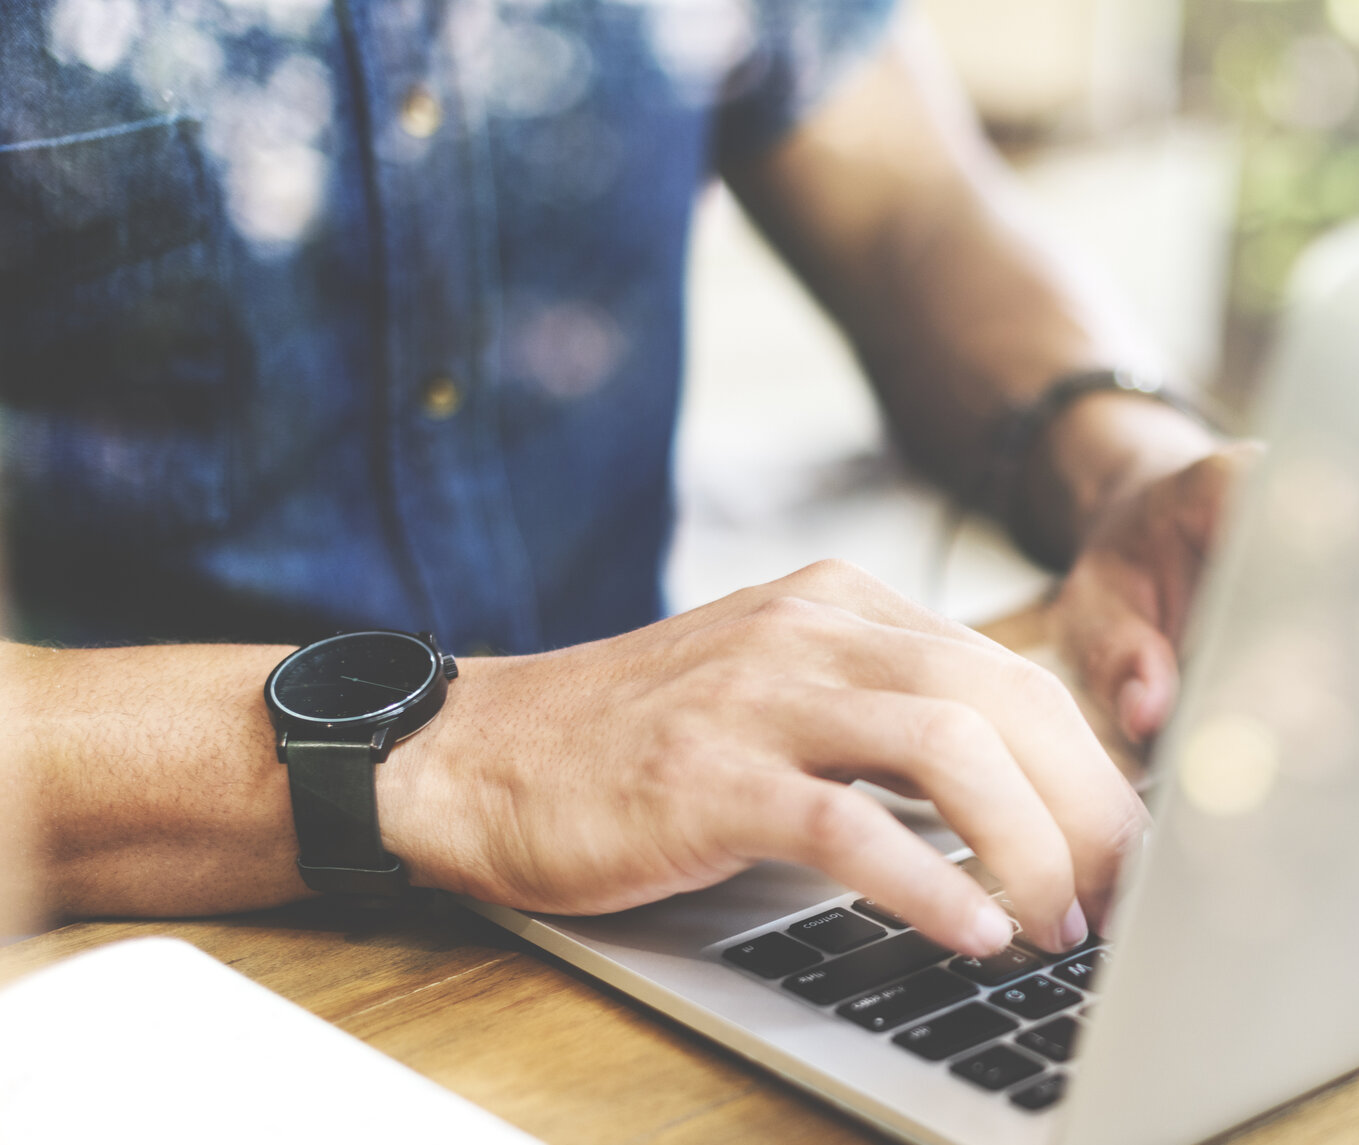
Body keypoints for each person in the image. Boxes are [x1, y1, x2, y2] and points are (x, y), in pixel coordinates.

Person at [2, 0, 1239, 958]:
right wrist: (466, 753)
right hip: (122, 973)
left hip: (655, 898)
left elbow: (910, 209)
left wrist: (1125, 461)